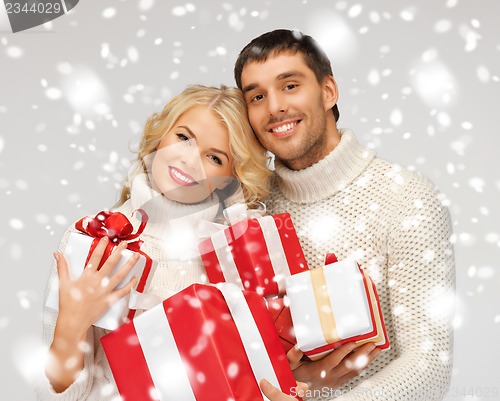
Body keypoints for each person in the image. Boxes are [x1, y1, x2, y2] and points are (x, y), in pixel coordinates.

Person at [35, 84, 299, 400]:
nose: (189, 160)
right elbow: (59, 395)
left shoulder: (237, 259)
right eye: (184, 137)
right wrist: (70, 326)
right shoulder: (94, 239)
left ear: (231, 178)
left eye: (214, 157)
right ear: (161, 136)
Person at [234, 29, 455, 400]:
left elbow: (428, 364)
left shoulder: (406, 198)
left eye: (289, 85)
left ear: (328, 92)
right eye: (257, 96)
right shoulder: (249, 207)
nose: (274, 107)